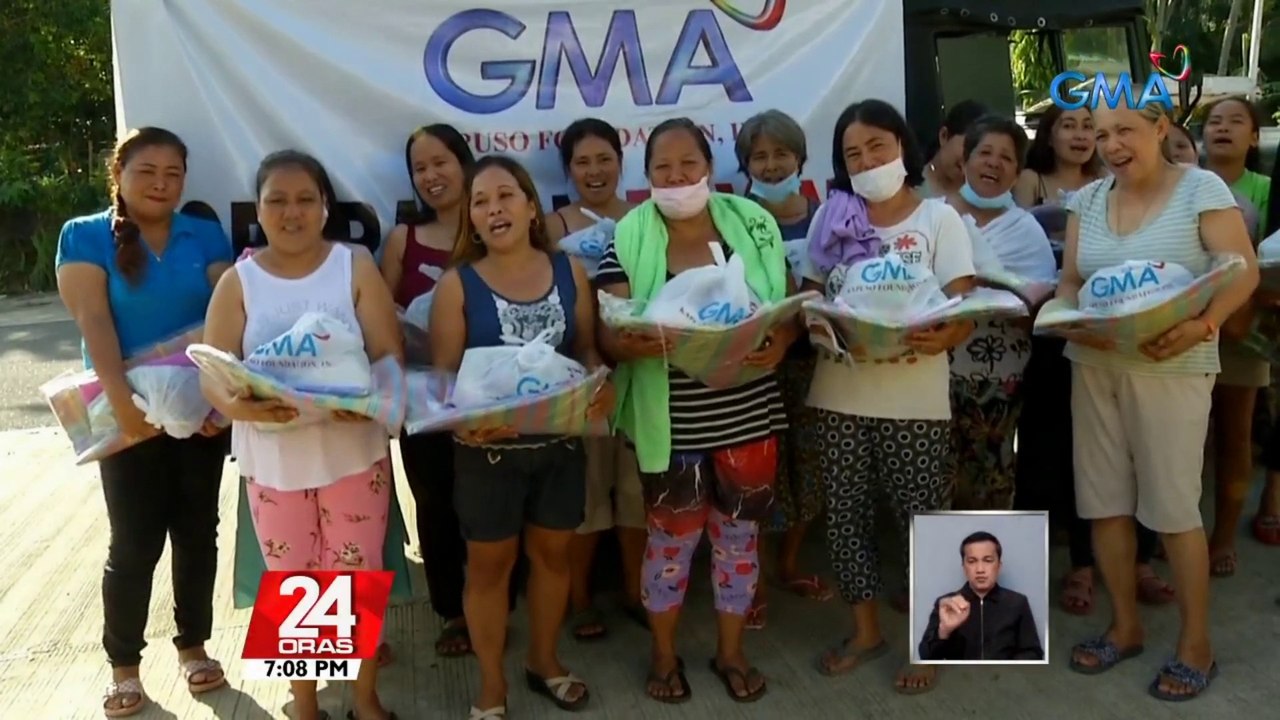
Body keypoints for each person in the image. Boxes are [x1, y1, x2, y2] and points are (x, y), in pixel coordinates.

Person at [1058, 100, 1257, 702]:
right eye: (1099, 134)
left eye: (1125, 131)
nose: (1111, 144)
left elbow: (1241, 269)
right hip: (1095, 364)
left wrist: (1205, 325)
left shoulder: (1200, 187)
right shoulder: (1086, 200)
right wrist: (1068, 316)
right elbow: (1071, 278)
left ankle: (1196, 644)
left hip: (1173, 365)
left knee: (1173, 509)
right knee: (1104, 504)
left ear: (1160, 128)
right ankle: (1125, 626)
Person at [595, 117, 797, 704]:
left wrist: (780, 342)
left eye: (688, 164)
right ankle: (664, 655)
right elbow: (610, 326)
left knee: (738, 541)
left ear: (709, 168)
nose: (677, 176)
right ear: (648, 174)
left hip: (747, 418)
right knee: (670, 545)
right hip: (673, 425)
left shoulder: (752, 222)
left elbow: (783, 304)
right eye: (663, 167)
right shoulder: (629, 233)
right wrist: (625, 342)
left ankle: (731, 652)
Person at [201, 150, 403, 720]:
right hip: (274, 463)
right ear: (258, 210)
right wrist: (247, 409)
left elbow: (388, 355)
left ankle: (365, 701)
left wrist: (365, 406)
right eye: (277, 200)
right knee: (295, 586)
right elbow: (214, 375)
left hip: (353, 454)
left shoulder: (353, 265)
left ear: (324, 206)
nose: (292, 212)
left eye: (305, 199)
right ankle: (305, 705)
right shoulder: (240, 281)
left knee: (355, 578)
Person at [55, 127, 233, 718]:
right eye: (147, 171)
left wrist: (218, 405)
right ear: (119, 174)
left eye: (173, 173)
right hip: (124, 411)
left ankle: (194, 648)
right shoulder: (81, 236)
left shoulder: (205, 234)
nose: (161, 183)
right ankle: (124, 666)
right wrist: (124, 407)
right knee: (133, 541)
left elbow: (227, 316)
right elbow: (95, 324)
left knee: (196, 530)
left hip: (200, 412)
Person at [802, 99, 976, 695]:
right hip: (841, 394)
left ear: (904, 146)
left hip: (915, 398)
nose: (868, 160)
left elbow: (964, 310)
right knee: (846, 520)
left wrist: (937, 337)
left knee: (922, 523)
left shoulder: (938, 221)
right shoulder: (833, 218)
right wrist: (826, 329)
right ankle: (866, 632)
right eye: (853, 153)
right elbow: (809, 300)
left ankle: (935, 639)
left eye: (877, 146)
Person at [429, 155, 612, 718]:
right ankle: (491, 686)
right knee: (489, 568)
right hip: (487, 456)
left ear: (532, 207)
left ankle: (543, 661)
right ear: (472, 221)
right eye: (480, 202)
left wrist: (598, 381)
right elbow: (442, 379)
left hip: (558, 446)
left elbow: (584, 348)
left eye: (505, 195)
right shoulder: (456, 285)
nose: (493, 208)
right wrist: (468, 417)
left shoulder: (569, 273)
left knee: (553, 559)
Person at [378, 123, 482, 657]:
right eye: (420, 168)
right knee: (437, 507)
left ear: (464, 163)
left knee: (493, 508)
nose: (431, 175)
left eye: (441, 162)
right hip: (426, 406)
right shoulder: (404, 239)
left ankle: (498, 605)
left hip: (495, 397)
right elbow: (379, 322)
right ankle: (454, 613)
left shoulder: (495, 227)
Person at [544, 118, 646, 642]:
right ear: (568, 170)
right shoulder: (552, 226)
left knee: (634, 492)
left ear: (620, 160)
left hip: (641, 372)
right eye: (582, 162)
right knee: (586, 497)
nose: (594, 170)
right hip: (580, 374)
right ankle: (581, 600)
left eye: (603, 158)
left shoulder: (643, 218)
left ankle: (636, 591)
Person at [735, 109, 832, 631]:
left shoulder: (823, 217)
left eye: (781, 154)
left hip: (814, 364)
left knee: (808, 468)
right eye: (760, 156)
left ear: (801, 158)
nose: (772, 166)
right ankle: (750, 579)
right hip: (754, 366)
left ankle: (790, 564)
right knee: (758, 473)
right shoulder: (733, 218)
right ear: (746, 165)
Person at [943, 115, 1056, 511]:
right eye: (984, 153)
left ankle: (988, 568)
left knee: (990, 477)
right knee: (936, 477)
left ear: (1017, 171)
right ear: (965, 161)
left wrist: (1002, 295)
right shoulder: (932, 217)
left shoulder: (1026, 230)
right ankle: (936, 566)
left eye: (1006, 157)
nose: (993, 163)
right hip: (932, 371)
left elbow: (1040, 314)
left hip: (997, 379)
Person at [1177, 109, 1269, 577]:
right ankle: (1176, 534)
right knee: (1184, 443)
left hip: (1241, 334)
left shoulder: (1267, 192)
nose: (1223, 128)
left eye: (1236, 121)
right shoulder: (1183, 184)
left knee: (1235, 436)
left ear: (1254, 136)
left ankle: (1224, 538)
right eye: (1214, 121)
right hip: (1182, 332)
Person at [918, 531, 1044, 661]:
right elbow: (926, 656)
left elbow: (1033, 653)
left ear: (999, 566)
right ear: (964, 567)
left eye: (988, 560)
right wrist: (944, 631)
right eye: (972, 561)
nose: (980, 569)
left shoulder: (1017, 602)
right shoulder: (947, 604)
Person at [1013, 105, 1104, 208]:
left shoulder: (1104, 178)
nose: (1080, 136)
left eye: (1087, 126)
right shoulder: (1030, 180)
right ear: (1048, 137)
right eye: (1068, 126)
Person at [920, 100, 990, 198]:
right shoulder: (908, 190)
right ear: (944, 136)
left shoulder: (986, 197)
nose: (971, 159)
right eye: (968, 147)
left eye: (983, 152)